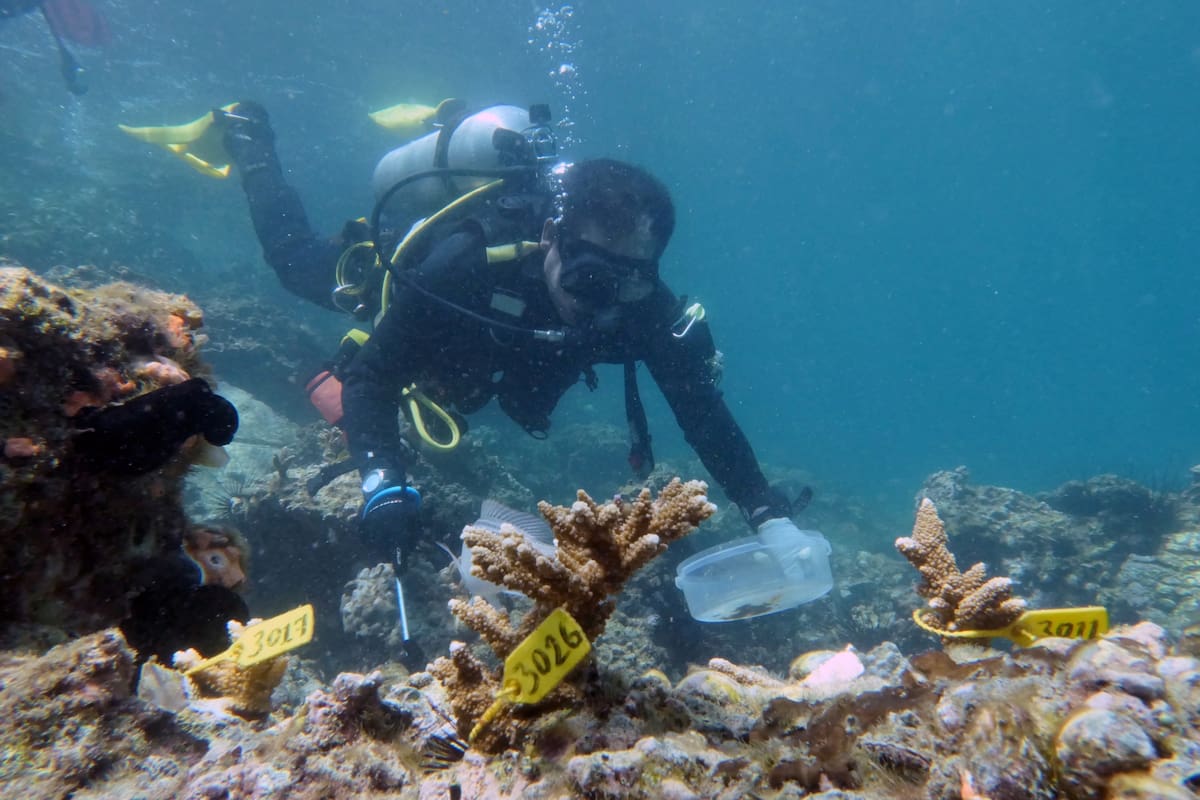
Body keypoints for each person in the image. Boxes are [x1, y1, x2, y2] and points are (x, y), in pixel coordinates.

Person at [216, 100, 811, 561]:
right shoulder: (467, 264)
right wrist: (383, 484)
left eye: (630, 280)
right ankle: (250, 139)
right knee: (295, 265)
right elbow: (372, 377)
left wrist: (768, 515)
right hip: (406, 283)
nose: (604, 307)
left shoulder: (642, 305)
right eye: (588, 279)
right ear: (550, 239)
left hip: (477, 364)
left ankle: (450, 115)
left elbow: (702, 413)